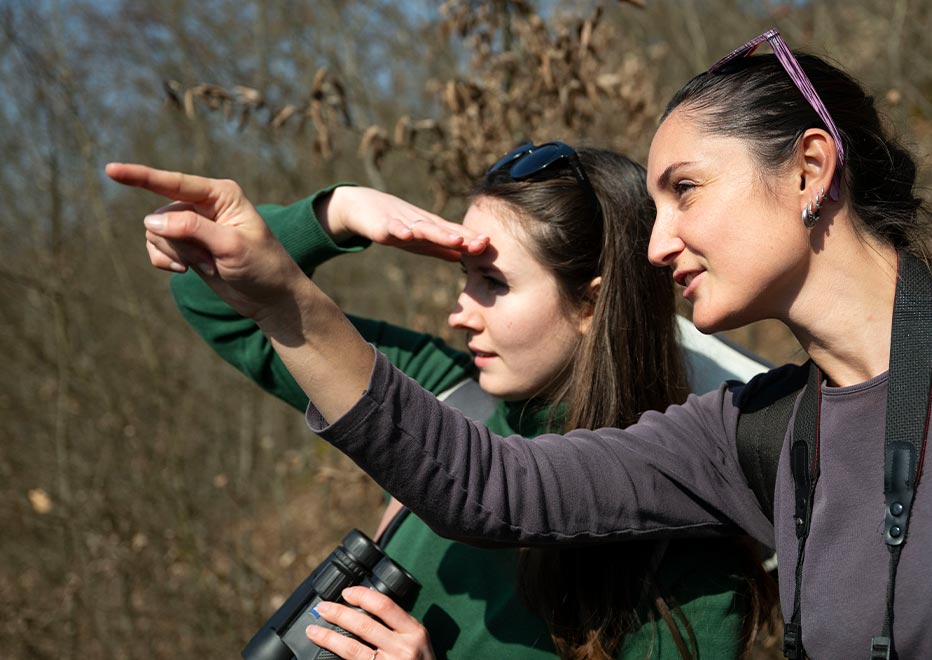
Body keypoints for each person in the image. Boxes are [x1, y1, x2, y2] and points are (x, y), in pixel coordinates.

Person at [109, 28, 932, 658]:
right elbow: (487, 487)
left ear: (809, 171)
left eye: (685, 191)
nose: (655, 242)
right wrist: (280, 284)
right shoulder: (752, 441)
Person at [154, 143, 777, 659]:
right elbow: (216, 304)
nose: (460, 314)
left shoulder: (689, 546)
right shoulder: (443, 397)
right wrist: (338, 212)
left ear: (591, 305)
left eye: (492, 283)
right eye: (464, 279)